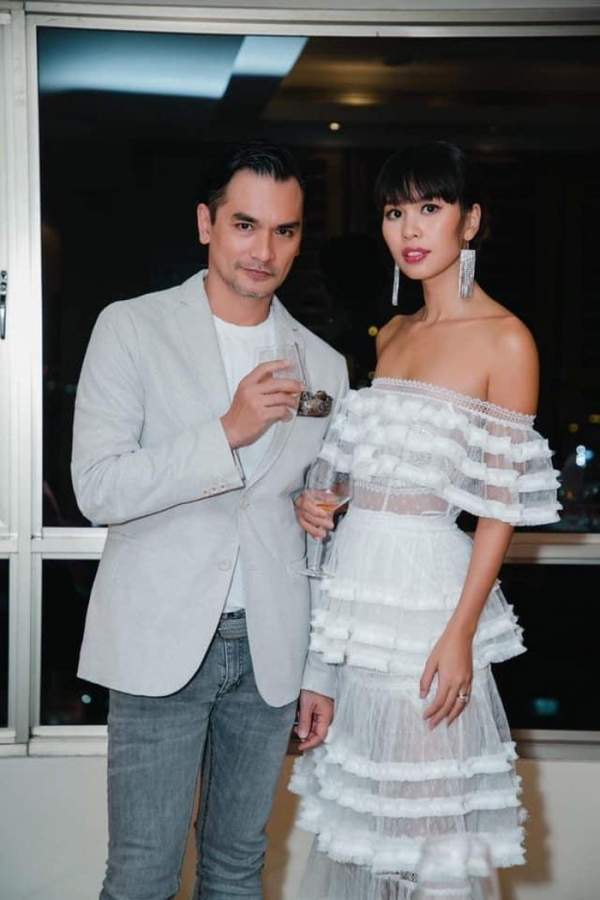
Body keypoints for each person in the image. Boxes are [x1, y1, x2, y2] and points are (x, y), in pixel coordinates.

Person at [71, 140, 348, 900]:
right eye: (245, 225)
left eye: (284, 231)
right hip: (160, 640)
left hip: (271, 651)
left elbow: (326, 532)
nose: (264, 251)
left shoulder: (324, 364)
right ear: (206, 223)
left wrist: (321, 671)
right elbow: (97, 488)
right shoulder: (131, 327)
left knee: (236, 871)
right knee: (141, 876)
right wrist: (226, 431)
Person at [291, 141, 561, 899]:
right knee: (364, 826)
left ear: (469, 221)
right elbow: (366, 475)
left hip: (429, 608)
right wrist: (322, 498)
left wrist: (460, 634)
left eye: (430, 208)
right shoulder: (393, 335)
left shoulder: (506, 339)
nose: (409, 228)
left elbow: (499, 510)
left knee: (427, 834)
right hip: (361, 603)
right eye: (394, 211)